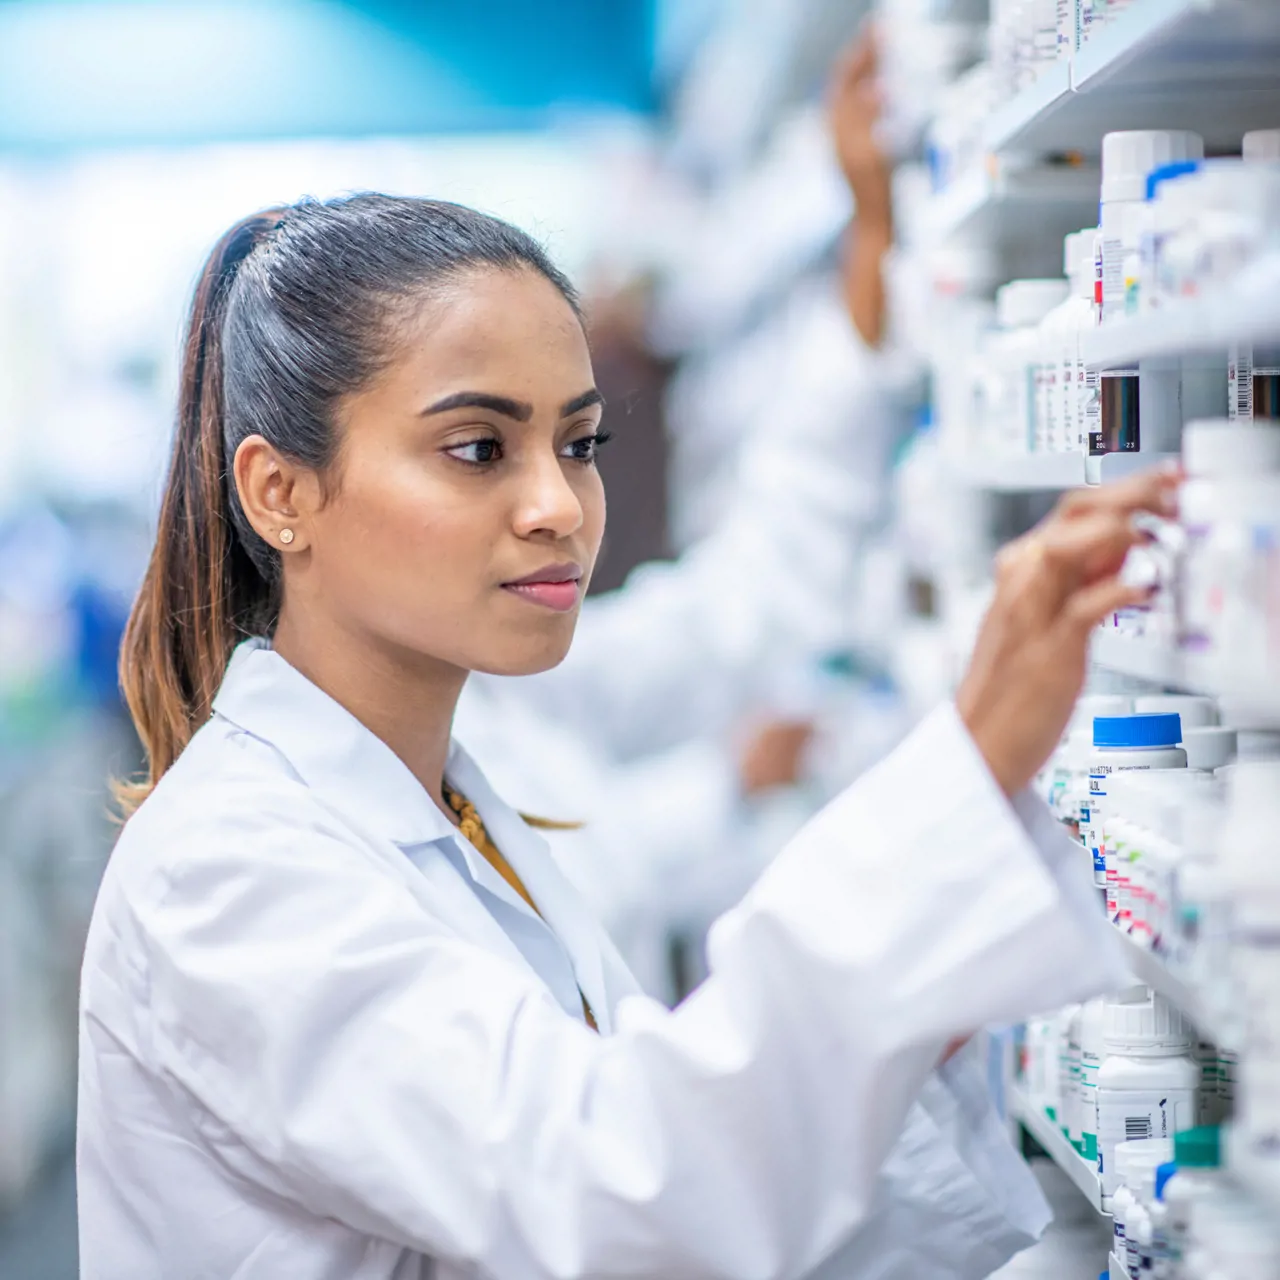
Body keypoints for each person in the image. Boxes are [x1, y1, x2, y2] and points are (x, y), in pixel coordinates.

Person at [79, 193, 1173, 1279]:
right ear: (280, 491)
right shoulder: (227, 870)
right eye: (476, 448)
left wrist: (905, 1030)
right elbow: (611, 1193)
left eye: (578, 441)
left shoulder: (462, 808)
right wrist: (958, 783)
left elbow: (681, 1234)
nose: (557, 502)